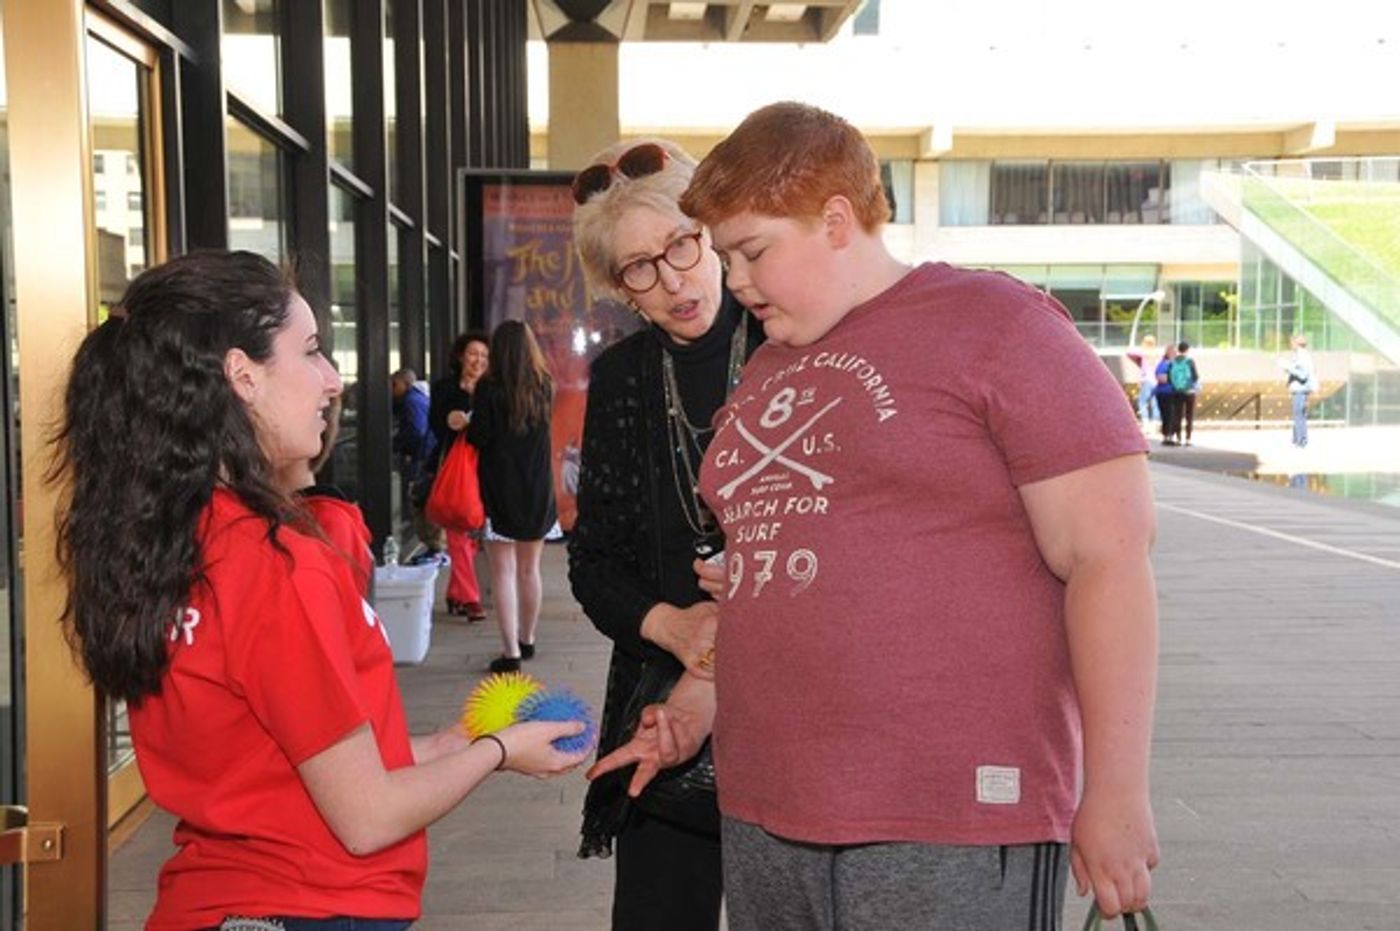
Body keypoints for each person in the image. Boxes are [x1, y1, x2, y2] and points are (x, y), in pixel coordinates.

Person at [592, 102, 1160, 930]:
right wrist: (690, 708)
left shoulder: (997, 325)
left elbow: (1110, 557)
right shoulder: (765, 370)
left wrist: (1115, 792)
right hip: (763, 818)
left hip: (950, 818)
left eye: (751, 251)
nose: (736, 281)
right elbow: (764, 579)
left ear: (834, 220)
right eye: (724, 255)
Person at [49, 251, 588, 931]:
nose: (333, 380)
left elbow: (281, 760)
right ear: (242, 376)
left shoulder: (165, 541)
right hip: (313, 905)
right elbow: (367, 818)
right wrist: (497, 751)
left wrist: (447, 744)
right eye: (310, 352)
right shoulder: (274, 562)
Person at [567, 137, 763, 931]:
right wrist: (675, 626)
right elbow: (594, 560)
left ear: (710, 235)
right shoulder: (621, 379)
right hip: (663, 711)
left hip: (791, 710)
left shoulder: (793, 342)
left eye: (680, 245)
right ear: (621, 290)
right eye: (638, 268)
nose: (670, 278)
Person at [467, 319, 558, 673]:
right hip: (537, 489)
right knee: (529, 569)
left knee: (502, 572)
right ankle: (528, 638)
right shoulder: (544, 384)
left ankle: (510, 653)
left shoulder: (489, 389)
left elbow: (480, 437)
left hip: (499, 491)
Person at [429, 332, 491, 619]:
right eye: (473, 354)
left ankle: (455, 593)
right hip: (454, 468)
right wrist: (452, 420)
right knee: (458, 526)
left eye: (483, 355)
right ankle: (470, 598)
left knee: (471, 533)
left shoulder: (492, 389)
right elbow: (438, 424)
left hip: (484, 467)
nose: (478, 360)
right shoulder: (445, 388)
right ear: (460, 356)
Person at [391, 367, 440, 554]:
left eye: (395, 385)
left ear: (406, 383)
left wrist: (404, 448)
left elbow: (417, 432)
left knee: (420, 500)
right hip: (426, 455)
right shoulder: (421, 398)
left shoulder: (411, 402)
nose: (392, 390)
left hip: (420, 457)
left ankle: (432, 545)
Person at [1283, 333, 1317, 447]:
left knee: (1299, 416)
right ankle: (1297, 439)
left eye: (1292, 343)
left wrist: (1288, 367)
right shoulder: (1300, 355)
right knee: (1298, 415)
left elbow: (1303, 375)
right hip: (1299, 389)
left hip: (1300, 390)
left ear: (1297, 343)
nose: (1290, 345)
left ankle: (1300, 440)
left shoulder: (1302, 356)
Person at [1169, 341, 1200, 446]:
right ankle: (1188, 439)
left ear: (1178, 349)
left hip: (1176, 392)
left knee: (1177, 414)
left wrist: (1176, 386)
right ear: (1187, 350)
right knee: (1189, 415)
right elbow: (1195, 376)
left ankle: (1178, 438)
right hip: (1189, 392)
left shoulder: (1173, 362)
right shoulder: (1190, 361)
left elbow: (1169, 378)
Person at [1153, 343, 1179, 446]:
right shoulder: (1164, 364)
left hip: (1171, 392)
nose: (1175, 354)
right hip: (1166, 392)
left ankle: (1170, 435)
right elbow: (1161, 378)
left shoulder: (1172, 364)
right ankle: (1167, 435)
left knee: (1171, 415)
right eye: (1173, 352)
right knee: (1168, 414)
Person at [1131, 333, 1159, 427]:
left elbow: (1130, 352)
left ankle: (1145, 421)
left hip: (1147, 380)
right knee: (1154, 402)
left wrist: (1137, 360)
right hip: (1156, 381)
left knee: (1142, 401)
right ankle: (1155, 422)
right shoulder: (1156, 354)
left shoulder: (1143, 353)